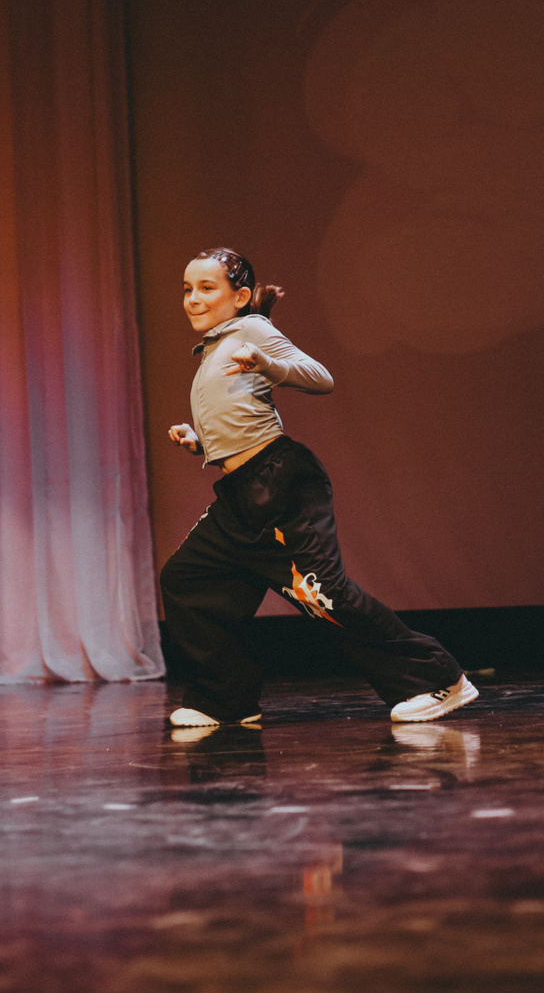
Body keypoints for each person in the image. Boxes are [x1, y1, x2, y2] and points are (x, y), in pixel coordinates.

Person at [159, 247, 478, 730]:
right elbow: (241, 415)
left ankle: (438, 679)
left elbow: (321, 378)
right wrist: (199, 441)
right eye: (187, 289)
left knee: (322, 593)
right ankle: (226, 698)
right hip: (241, 491)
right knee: (187, 579)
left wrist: (267, 362)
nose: (193, 299)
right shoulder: (215, 346)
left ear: (240, 297)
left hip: (280, 483)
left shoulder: (251, 330)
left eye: (207, 288)